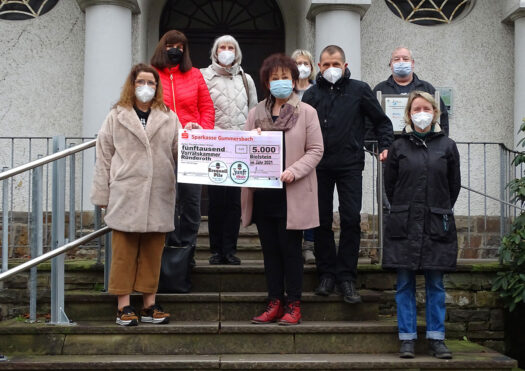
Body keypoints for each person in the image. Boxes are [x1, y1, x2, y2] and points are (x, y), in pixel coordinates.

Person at [90, 63, 181, 326]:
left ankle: (150, 305)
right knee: (123, 252)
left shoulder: (169, 116)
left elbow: (179, 151)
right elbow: (104, 156)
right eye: (141, 82)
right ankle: (124, 306)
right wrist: (102, 195)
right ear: (132, 84)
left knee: (153, 252)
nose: (146, 87)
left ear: (157, 87)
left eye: (152, 83)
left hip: (159, 192)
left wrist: (194, 137)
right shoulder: (116, 116)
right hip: (126, 191)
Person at [302, 45, 394, 304]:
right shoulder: (311, 94)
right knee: (320, 220)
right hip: (318, 165)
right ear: (319, 67)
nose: (331, 69)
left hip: (350, 164)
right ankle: (326, 274)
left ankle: (346, 277)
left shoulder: (359, 90)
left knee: (351, 219)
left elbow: (381, 122)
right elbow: (298, 127)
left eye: (336, 64)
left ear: (344, 65)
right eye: (326, 64)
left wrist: (383, 146)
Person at [241, 53, 324, 325]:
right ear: (266, 82)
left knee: (291, 252)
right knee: (270, 253)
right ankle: (274, 302)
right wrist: (248, 141)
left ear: (294, 80)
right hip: (265, 195)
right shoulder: (256, 113)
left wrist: (294, 171)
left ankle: (294, 305)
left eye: (285, 78)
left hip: (293, 193)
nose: (280, 82)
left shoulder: (306, 111)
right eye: (274, 78)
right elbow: (242, 150)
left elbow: (315, 150)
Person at [383, 91, 460, 359]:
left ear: (435, 112)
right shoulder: (398, 146)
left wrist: (439, 209)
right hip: (404, 224)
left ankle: (437, 339)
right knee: (404, 284)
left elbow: (454, 186)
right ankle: (407, 338)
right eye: (416, 108)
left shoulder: (447, 146)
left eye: (426, 107)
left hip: (436, 223)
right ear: (408, 113)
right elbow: (390, 186)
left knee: (435, 285)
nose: (422, 112)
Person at [151, 30, 215, 263]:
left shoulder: (195, 75)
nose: (175, 49)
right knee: (166, 198)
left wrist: (202, 131)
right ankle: (168, 246)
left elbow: (207, 107)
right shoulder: (152, 75)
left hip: (191, 148)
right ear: (162, 47)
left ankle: (188, 248)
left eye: (180, 46)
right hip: (162, 147)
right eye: (170, 45)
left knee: (191, 200)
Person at [201, 35, 257, 265]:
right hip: (215, 146)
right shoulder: (204, 77)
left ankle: (230, 249)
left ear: (237, 51)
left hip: (240, 147)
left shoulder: (246, 79)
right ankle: (216, 250)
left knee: (235, 201)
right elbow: (201, 107)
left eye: (230, 47)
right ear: (215, 52)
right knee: (216, 200)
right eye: (222, 47)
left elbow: (254, 110)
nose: (226, 51)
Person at [291, 49, 317, 265]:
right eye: (297, 62)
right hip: (291, 153)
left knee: (310, 199)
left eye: (305, 62)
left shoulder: (317, 91)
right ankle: (293, 243)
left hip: (313, 152)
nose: (302, 66)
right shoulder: (285, 91)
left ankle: (309, 243)